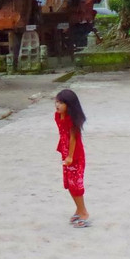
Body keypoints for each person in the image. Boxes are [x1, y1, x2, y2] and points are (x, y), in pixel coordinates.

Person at [55, 88, 89, 227]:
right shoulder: (58, 116)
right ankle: (79, 209)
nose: (57, 105)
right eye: (56, 102)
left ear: (69, 105)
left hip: (75, 155)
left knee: (76, 185)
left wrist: (70, 156)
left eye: (61, 103)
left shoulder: (72, 120)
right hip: (65, 152)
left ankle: (84, 213)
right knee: (69, 184)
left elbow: (74, 138)